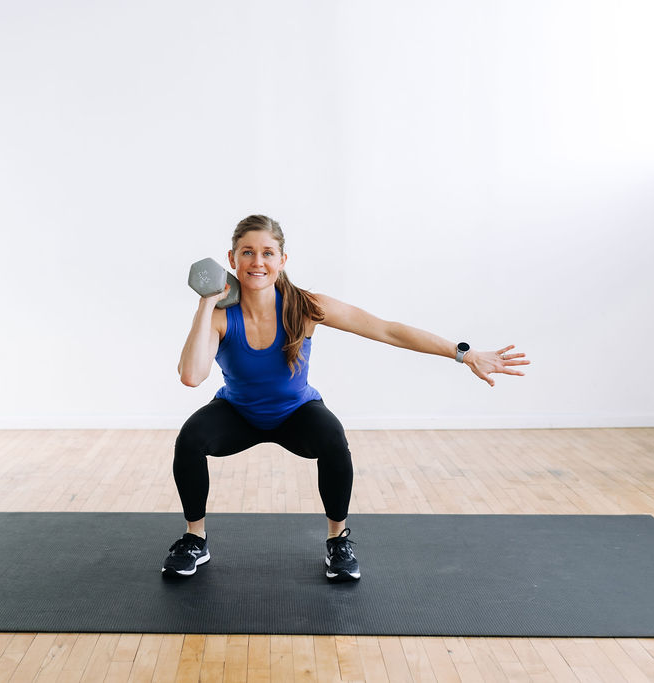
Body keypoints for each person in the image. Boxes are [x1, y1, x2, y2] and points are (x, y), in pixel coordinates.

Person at [163, 215, 530, 581]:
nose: (258, 262)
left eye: (267, 253)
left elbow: (387, 330)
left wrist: (462, 353)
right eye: (248, 253)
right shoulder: (221, 317)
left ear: (282, 260)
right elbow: (192, 376)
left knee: (333, 438)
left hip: (296, 412)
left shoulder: (305, 306)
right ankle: (196, 538)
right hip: (237, 411)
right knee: (191, 439)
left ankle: (338, 540)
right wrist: (205, 304)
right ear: (231, 259)